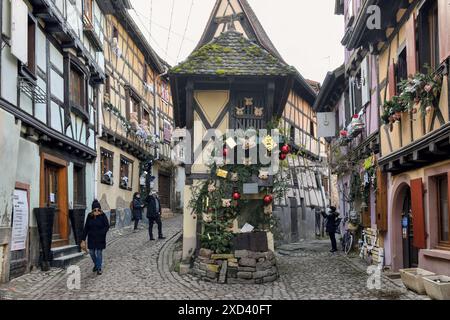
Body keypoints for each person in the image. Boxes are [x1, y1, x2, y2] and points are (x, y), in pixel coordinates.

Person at [81, 200, 110, 275]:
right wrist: (83, 239)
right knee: (91, 252)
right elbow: (86, 228)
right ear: (92, 210)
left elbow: (107, 226)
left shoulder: (103, 215)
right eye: (95, 209)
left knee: (99, 252)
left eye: (98, 209)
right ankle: (96, 265)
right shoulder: (89, 216)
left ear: (100, 209)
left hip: (100, 238)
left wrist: (102, 233)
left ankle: (99, 268)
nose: (97, 211)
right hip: (91, 238)